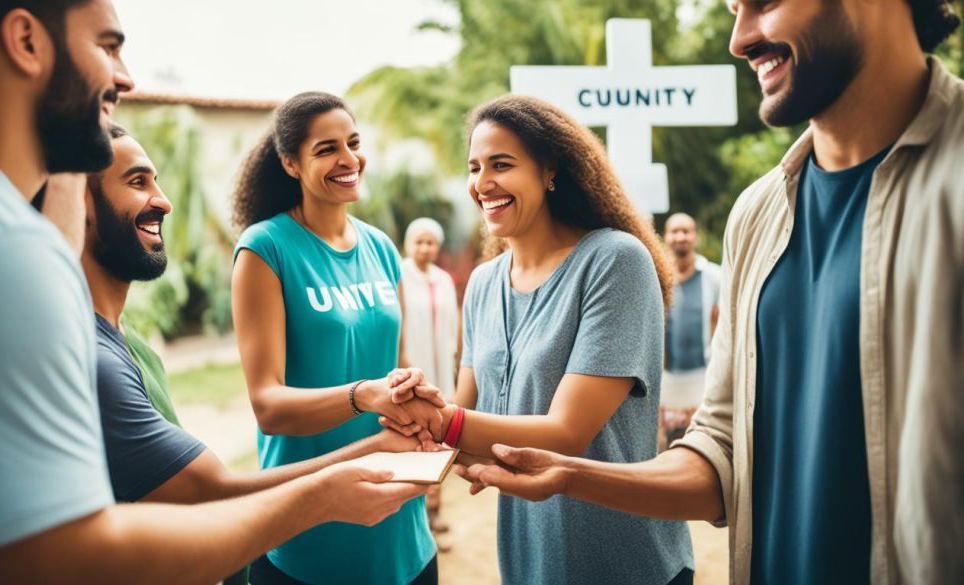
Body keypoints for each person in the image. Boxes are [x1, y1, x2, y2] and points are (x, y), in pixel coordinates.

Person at [458, 1, 964, 583]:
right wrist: (571, 475)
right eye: (732, 7)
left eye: (764, 3)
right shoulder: (759, 216)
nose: (739, 38)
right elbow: (722, 456)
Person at [0, 3, 426, 584]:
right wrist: (327, 491)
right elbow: (51, 555)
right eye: (107, 45)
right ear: (25, 39)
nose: (124, 77)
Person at [84, 124, 429, 584]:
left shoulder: (135, 348)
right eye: (137, 181)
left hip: (403, 534)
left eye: (355, 143)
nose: (163, 200)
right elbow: (208, 491)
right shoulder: (92, 356)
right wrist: (368, 446)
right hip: (309, 551)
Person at [388, 95, 694, 585]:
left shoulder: (614, 262)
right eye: (474, 167)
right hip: (531, 564)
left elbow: (567, 432)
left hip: (629, 564)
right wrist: (414, 404)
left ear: (549, 169)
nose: (482, 183)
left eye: (501, 165)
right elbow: (466, 434)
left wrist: (444, 421)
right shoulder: (485, 285)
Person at [230, 91, 445, 585]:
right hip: (311, 535)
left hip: (402, 526)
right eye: (326, 149)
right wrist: (363, 396)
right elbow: (269, 405)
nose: (348, 159)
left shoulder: (383, 248)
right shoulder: (265, 249)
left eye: (353, 142)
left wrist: (411, 390)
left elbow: (399, 362)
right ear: (290, 163)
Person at [398, 217, 461, 542]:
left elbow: (453, 327)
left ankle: (435, 512)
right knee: (414, 442)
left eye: (430, 242)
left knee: (440, 441)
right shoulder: (399, 277)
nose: (425, 248)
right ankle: (417, 515)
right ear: (409, 244)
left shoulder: (443, 280)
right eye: (419, 241)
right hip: (413, 373)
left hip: (441, 375)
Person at [660, 213, 721, 447]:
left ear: (695, 236)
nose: (680, 236)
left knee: (697, 442)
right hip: (667, 379)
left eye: (686, 231)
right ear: (665, 237)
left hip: (702, 377)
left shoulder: (713, 277)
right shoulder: (657, 277)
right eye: (675, 231)